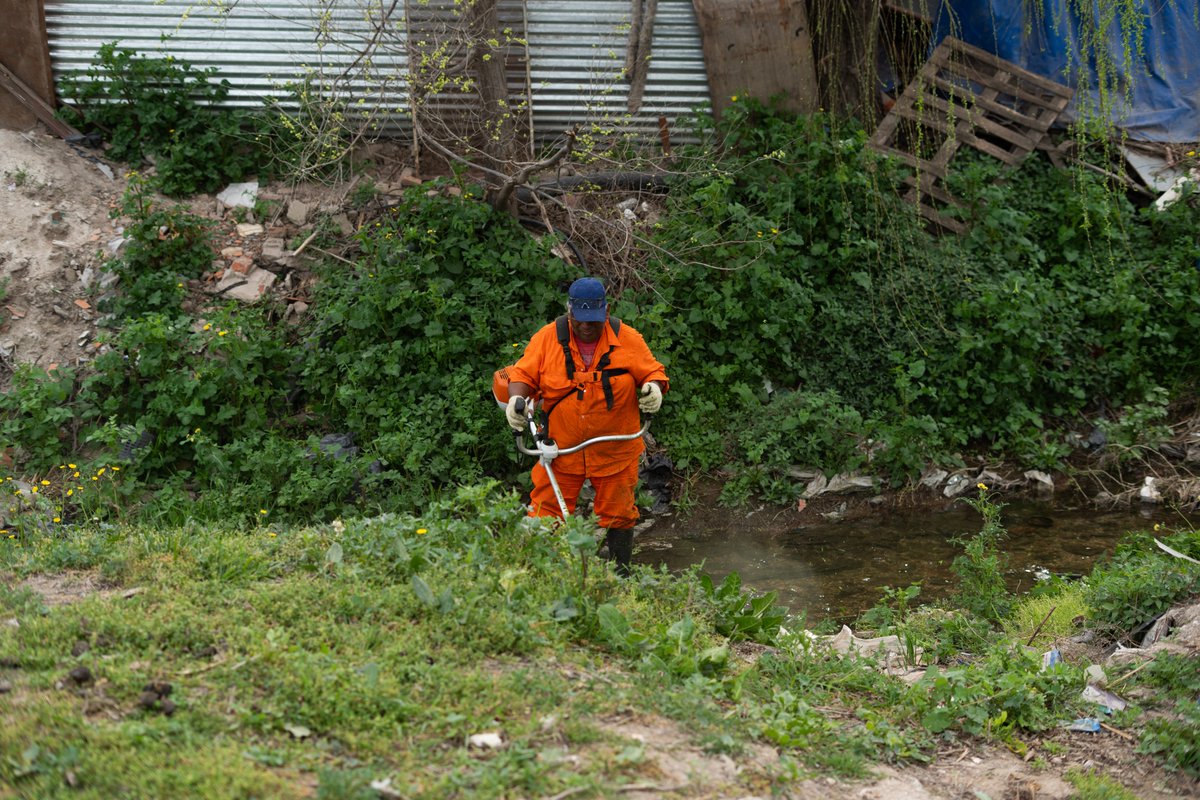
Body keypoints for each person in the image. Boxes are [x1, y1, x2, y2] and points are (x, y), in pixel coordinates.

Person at [503, 277, 668, 573]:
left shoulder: (627, 339)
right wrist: (516, 401)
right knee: (545, 513)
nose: (587, 327)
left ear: (605, 313)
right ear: (570, 312)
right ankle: (538, 576)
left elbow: (653, 372)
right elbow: (523, 376)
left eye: (594, 320)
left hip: (615, 449)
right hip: (561, 448)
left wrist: (654, 389)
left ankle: (620, 577)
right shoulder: (547, 339)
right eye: (580, 320)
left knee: (619, 514)